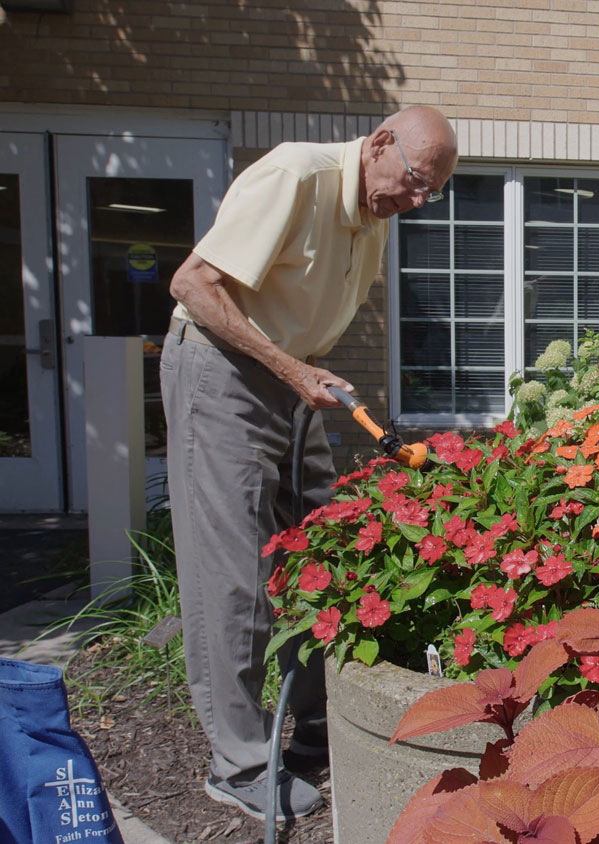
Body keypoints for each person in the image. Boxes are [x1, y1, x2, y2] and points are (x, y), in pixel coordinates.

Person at [161, 106, 458, 821]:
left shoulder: (375, 206)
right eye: (416, 181)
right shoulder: (297, 173)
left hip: (296, 384)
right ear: (380, 143)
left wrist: (303, 375)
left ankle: (316, 725)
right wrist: (289, 368)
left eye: (432, 193)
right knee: (234, 574)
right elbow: (193, 285)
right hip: (223, 374)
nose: (417, 202)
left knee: (327, 548)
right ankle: (237, 765)